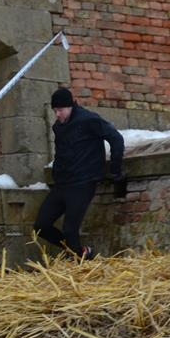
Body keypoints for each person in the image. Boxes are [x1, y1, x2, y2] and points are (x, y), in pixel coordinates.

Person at [34, 87, 126, 259]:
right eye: (54, 110)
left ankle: (79, 260)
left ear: (70, 106)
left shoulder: (89, 120)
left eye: (60, 110)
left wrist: (115, 169)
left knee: (70, 229)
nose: (57, 114)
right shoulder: (58, 127)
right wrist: (57, 174)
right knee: (41, 226)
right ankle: (79, 252)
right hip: (63, 184)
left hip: (84, 182)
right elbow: (61, 154)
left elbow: (116, 138)